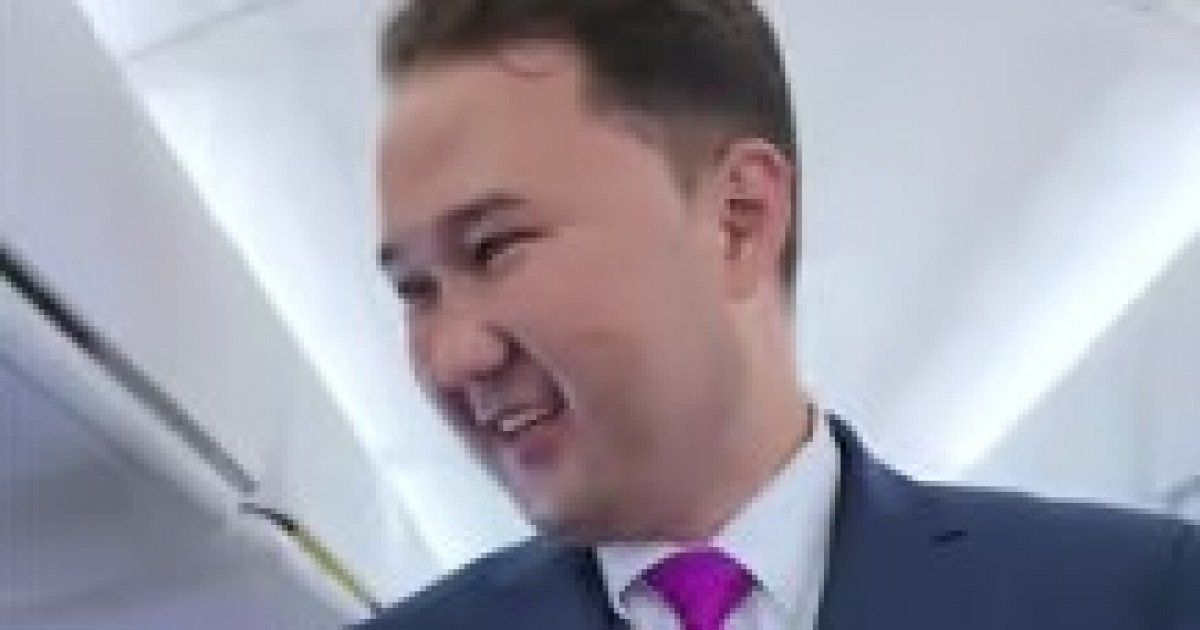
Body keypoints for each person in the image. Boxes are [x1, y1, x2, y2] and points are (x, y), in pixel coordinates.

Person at [360, 1, 1200, 628]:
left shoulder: (1134, 598)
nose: (451, 356)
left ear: (740, 219)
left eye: (496, 247)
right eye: (415, 291)